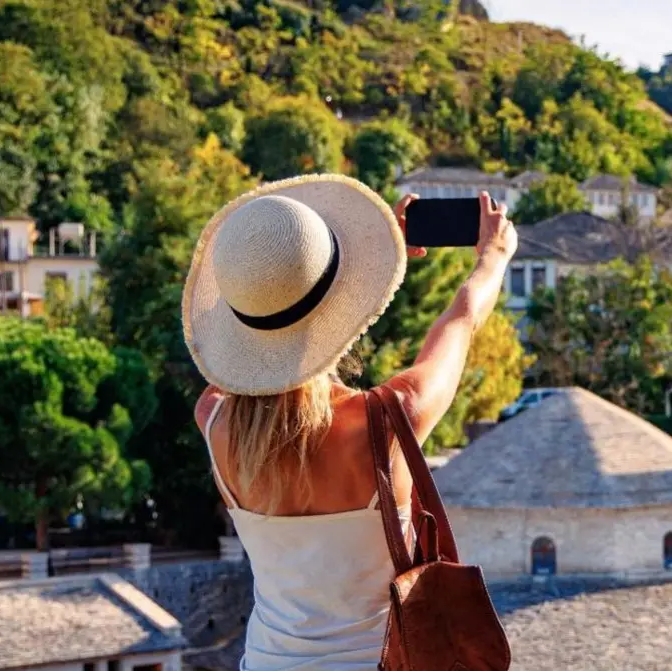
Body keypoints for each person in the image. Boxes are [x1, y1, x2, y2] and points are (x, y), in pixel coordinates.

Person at [181, 174, 515, 669]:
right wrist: (492, 259)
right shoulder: (387, 420)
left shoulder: (213, 420)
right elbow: (461, 323)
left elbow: (232, 368)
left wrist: (346, 275)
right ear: (344, 305)